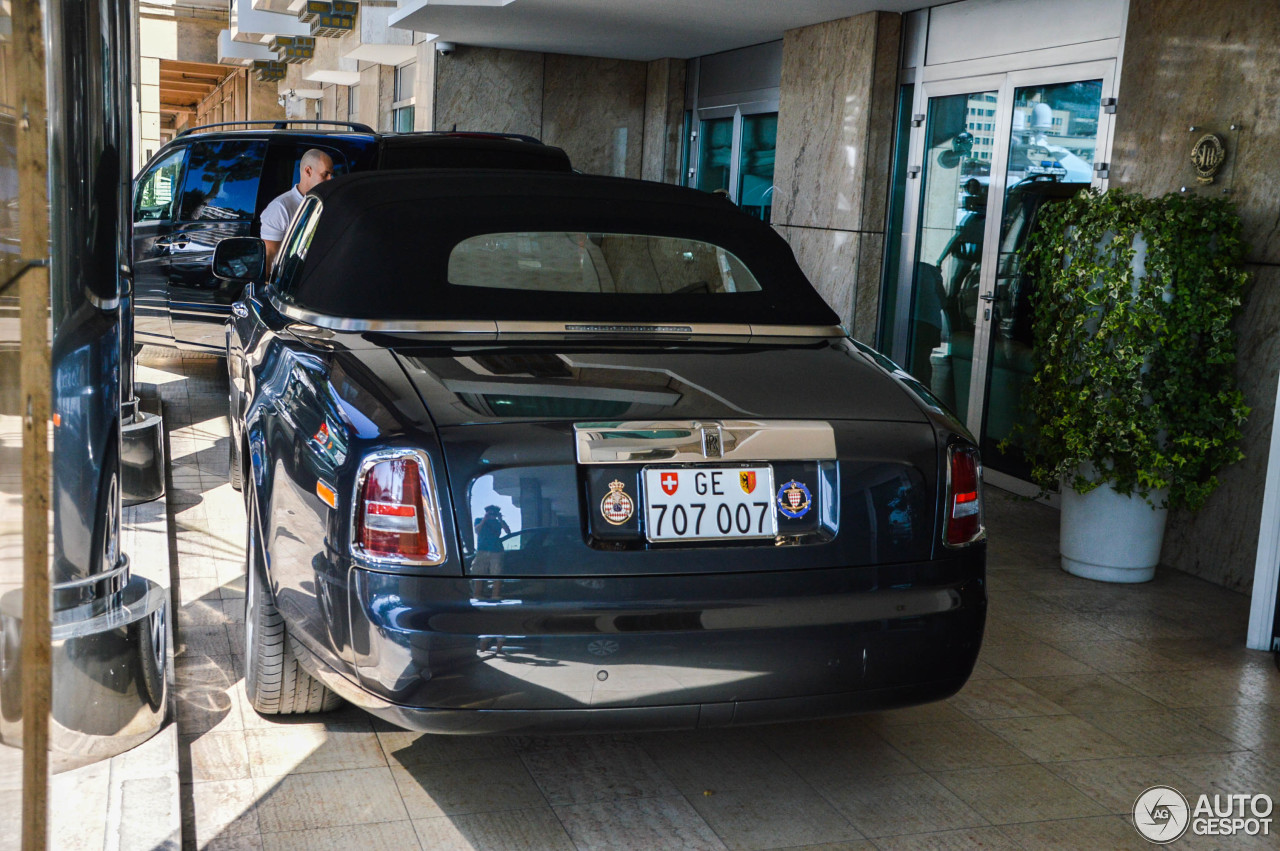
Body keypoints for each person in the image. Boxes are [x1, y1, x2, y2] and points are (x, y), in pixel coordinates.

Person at [260, 148, 334, 269]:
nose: (330, 179)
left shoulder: (327, 202)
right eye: (325, 174)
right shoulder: (281, 208)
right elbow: (269, 256)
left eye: (331, 174)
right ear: (308, 171)